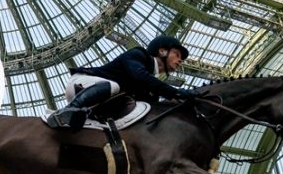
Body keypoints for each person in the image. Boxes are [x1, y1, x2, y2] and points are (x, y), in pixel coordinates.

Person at [46, 36, 195, 130]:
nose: (180, 60)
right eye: (177, 54)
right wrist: (176, 92)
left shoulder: (151, 85)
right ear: (162, 51)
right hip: (81, 85)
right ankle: (68, 110)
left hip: (97, 104)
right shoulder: (138, 55)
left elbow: (150, 109)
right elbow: (140, 76)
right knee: (114, 86)